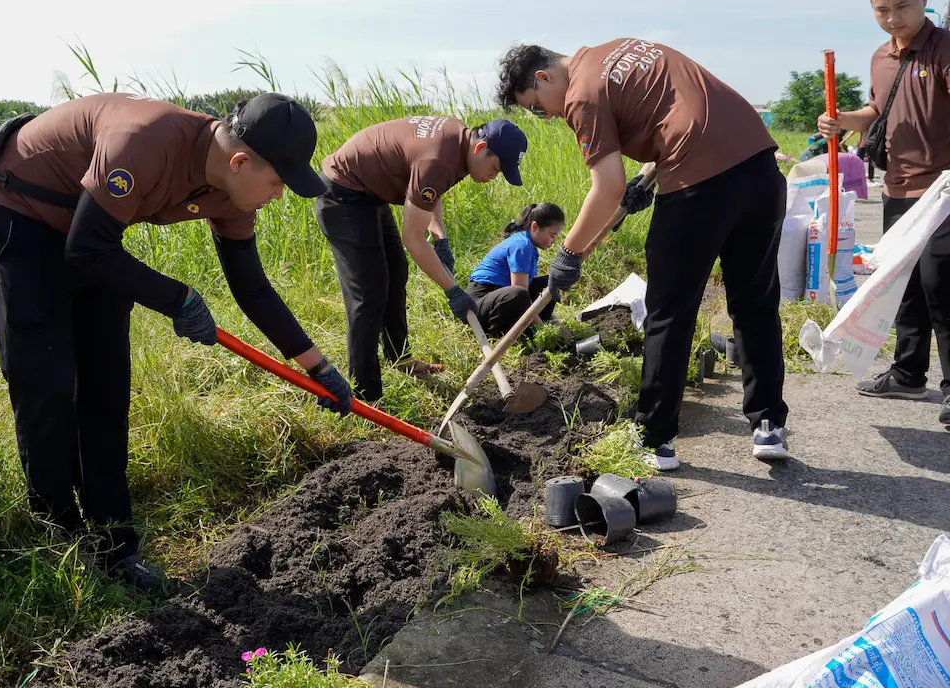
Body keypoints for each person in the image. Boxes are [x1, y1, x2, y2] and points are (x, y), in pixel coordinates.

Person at [0, 91, 353, 593]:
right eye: (277, 182)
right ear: (240, 161)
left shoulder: (232, 191)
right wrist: (180, 298)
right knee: (48, 385)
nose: (277, 195)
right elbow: (84, 249)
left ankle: (115, 546)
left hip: (96, 238)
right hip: (23, 220)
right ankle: (59, 540)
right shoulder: (144, 141)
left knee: (106, 388)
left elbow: (252, 288)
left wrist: (317, 367)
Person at [496, 39, 790, 469]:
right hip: (761, 171)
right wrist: (648, 175)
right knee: (755, 302)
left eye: (538, 106)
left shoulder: (580, 93)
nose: (549, 115)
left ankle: (655, 439)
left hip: (699, 187)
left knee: (669, 310)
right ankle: (769, 426)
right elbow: (686, 110)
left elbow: (606, 187)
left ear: (544, 77)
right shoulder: (623, 49)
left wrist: (569, 254)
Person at [816, 0, 950, 428]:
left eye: (902, 6)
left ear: (925, 0)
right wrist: (840, 122)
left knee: (942, 285)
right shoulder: (879, 57)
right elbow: (876, 109)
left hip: (943, 191)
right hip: (898, 187)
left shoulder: (943, 50)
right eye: (881, 9)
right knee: (904, 285)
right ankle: (909, 373)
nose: (893, 17)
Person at [315, 116, 528, 403]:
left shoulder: (458, 140)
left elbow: (430, 191)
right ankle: (365, 396)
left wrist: (440, 237)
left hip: (368, 193)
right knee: (369, 293)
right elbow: (413, 239)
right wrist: (453, 291)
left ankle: (399, 358)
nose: (494, 176)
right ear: (481, 149)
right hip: (343, 192)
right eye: (496, 168)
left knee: (396, 270)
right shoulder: (439, 159)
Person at [466, 202, 565, 337]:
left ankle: (535, 325)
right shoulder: (521, 246)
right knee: (519, 294)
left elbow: (530, 285)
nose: (554, 241)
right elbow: (520, 292)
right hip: (480, 303)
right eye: (552, 235)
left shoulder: (530, 246)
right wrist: (543, 332)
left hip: (500, 295)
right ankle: (498, 332)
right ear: (534, 226)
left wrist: (553, 321)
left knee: (551, 283)